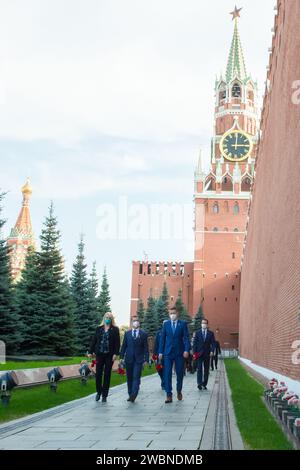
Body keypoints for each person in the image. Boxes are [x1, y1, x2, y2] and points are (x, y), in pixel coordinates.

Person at [158, 306, 190, 404]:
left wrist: (186, 350)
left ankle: (179, 390)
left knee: (179, 373)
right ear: (169, 314)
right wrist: (160, 352)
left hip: (179, 353)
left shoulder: (183, 324)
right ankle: (169, 395)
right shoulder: (166, 324)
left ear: (177, 314)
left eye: (174, 313)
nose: (172, 315)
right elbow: (162, 339)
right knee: (167, 373)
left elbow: (186, 338)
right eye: (171, 313)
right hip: (168, 353)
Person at [88, 312, 120, 403]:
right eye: (106, 317)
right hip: (99, 354)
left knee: (107, 374)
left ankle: (105, 395)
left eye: (109, 317)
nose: (108, 319)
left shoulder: (115, 329)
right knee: (98, 374)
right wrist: (90, 352)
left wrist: (115, 354)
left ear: (111, 319)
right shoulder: (99, 329)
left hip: (109, 355)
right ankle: (99, 392)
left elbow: (117, 343)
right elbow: (94, 340)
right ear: (104, 318)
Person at [120, 316, 149, 403]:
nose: (135, 322)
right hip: (128, 359)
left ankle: (134, 394)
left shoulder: (143, 334)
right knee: (129, 377)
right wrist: (121, 357)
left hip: (138, 359)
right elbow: (124, 346)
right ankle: (130, 394)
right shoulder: (127, 333)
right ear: (131, 323)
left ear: (139, 323)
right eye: (134, 321)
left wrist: (146, 359)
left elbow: (145, 348)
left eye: (137, 321)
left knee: (136, 376)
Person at [193, 318, 215, 391]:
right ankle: (199, 384)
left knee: (206, 370)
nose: (203, 324)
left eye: (205, 323)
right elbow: (195, 344)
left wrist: (212, 351)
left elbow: (213, 343)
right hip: (199, 354)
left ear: (207, 324)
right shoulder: (197, 333)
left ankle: (204, 384)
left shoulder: (211, 333)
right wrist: (194, 353)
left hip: (207, 354)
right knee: (199, 369)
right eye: (202, 323)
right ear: (201, 324)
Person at [153, 325, 165, 390]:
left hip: (167, 354)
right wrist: (155, 355)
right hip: (159, 355)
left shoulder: (170, 332)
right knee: (159, 369)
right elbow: (156, 344)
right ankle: (163, 379)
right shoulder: (159, 333)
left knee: (166, 369)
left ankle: (164, 383)